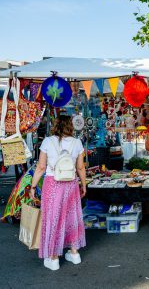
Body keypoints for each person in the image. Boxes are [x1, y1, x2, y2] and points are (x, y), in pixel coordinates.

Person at [30, 115, 86, 271]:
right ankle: (74, 253)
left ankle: (53, 258)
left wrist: (33, 187)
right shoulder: (77, 142)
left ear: (55, 125)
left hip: (53, 184)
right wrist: (84, 185)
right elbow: (80, 167)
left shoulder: (48, 141)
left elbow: (41, 167)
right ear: (70, 126)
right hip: (71, 184)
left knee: (53, 217)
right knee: (71, 216)